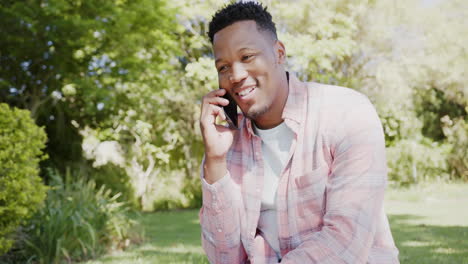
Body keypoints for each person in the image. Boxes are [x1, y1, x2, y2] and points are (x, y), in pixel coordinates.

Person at [198, 2, 399, 263]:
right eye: (223, 67)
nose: (235, 75)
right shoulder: (227, 141)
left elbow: (346, 242)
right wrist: (214, 161)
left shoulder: (347, 113)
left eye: (246, 57)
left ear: (279, 53)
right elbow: (224, 257)